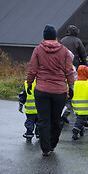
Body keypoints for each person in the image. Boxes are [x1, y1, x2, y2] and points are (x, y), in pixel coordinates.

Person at [27, 24, 75, 156]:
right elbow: (69, 70)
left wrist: (30, 83)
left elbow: (32, 69)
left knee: (43, 120)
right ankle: (53, 143)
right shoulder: (64, 51)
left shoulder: (38, 50)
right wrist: (71, 87)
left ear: (44, 37)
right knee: (56, 119)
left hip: (41, 90)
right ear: (55, 37)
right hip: (59, 91)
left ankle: (45, 148)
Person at [61, 50, 78, 125]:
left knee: (61, 104)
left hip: (61, 89)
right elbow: (75, 79)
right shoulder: (72, 68)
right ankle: (65, 113)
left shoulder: (59, 67)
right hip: (69, 89)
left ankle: (60, 116)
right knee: (69, 103)